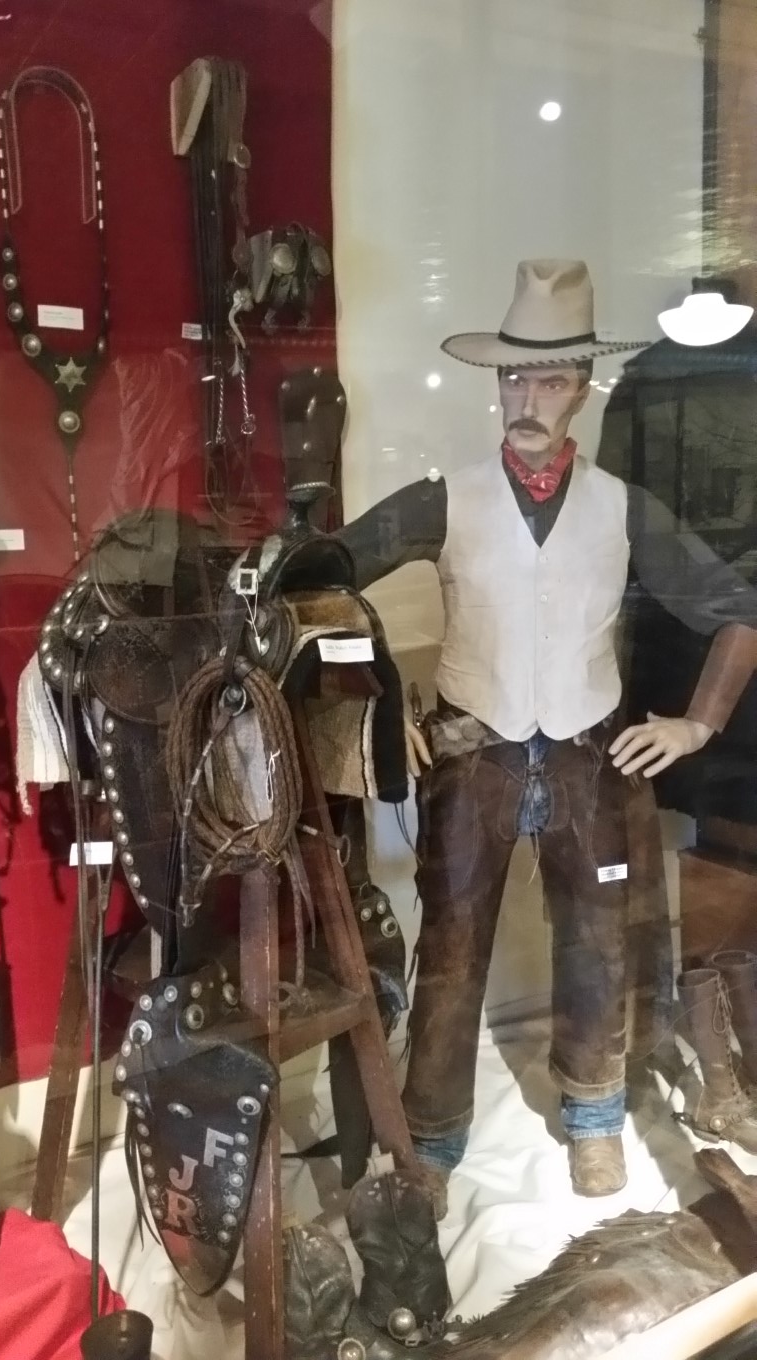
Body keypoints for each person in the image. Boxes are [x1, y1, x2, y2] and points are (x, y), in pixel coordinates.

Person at [336, 259, 757, 1213]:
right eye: (515, 378)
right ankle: (433, 1131)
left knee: (598, 941)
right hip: (472, 750)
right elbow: (320, 577)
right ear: (497, 382)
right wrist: (379, 707)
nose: (529, 399)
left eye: (552, 380)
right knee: (451, 949)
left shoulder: (623, 507)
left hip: (587, 753)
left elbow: (737, 608)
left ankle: (595, 1114)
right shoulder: (444, 498)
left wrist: (699, 723)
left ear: (582, 388)